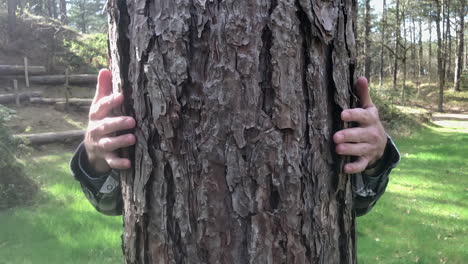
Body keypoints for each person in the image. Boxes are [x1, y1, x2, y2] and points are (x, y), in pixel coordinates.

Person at [70, 69, 400, 216]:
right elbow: (112, 207)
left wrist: (376, 155)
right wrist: (96, 156)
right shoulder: (136, 44)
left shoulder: (328, 65)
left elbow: (355, 206)